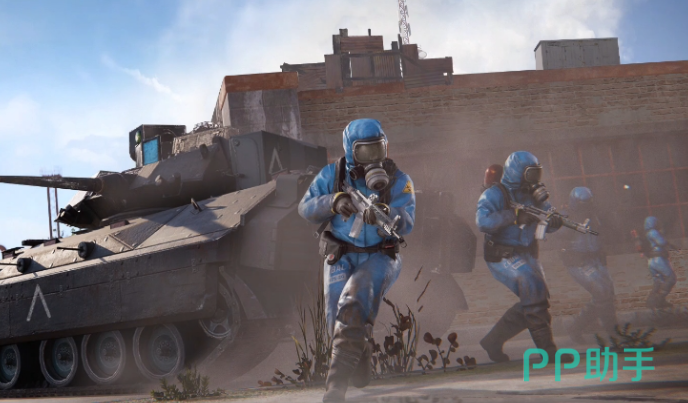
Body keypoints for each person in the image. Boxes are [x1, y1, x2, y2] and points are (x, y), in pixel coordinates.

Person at [298, 118, 415, 402]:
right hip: (341, 255)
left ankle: (335, 387)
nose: (374, 158)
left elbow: (408, 221)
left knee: (353, 303)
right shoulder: (332, 175)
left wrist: (387, 213)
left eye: (379, 149)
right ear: (351, 151)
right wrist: (333, 201)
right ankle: (359, 359)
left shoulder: (400, 180)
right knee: (336, 325)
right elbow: (305, 207)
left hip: (381, 255)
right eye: (365, 151)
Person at [476, 151, 565, 363]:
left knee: (537, 298)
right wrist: (514, 216)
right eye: (530, 174)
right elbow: (483, 222)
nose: (534, 179)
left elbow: (548, 218)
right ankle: (548, 351)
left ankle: (493, 341)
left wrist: (554, 222)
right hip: (503, 253)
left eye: (536, 173)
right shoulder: (494, 194)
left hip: (528, 252)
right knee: (532, 288)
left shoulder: (534, 196)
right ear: (518, 172)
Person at [559, 187, 617, 343]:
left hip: (595, 258)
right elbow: (559, 234)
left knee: (607, 293)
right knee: (602, 292)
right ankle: (613, 331)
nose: (586, 205)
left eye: (588, 202)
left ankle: (577, 327)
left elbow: (606, 231)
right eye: (583, 203)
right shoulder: (566, 214)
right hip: (578, 261)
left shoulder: (594, 213)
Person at [641, 217, 677, 309]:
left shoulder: (647, 234)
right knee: (671, 278)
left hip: (652, 260)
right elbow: (661, 242)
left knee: (659, 282)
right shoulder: (653, 232)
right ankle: (659, 299)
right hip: (659, 259)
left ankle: (652, 301)